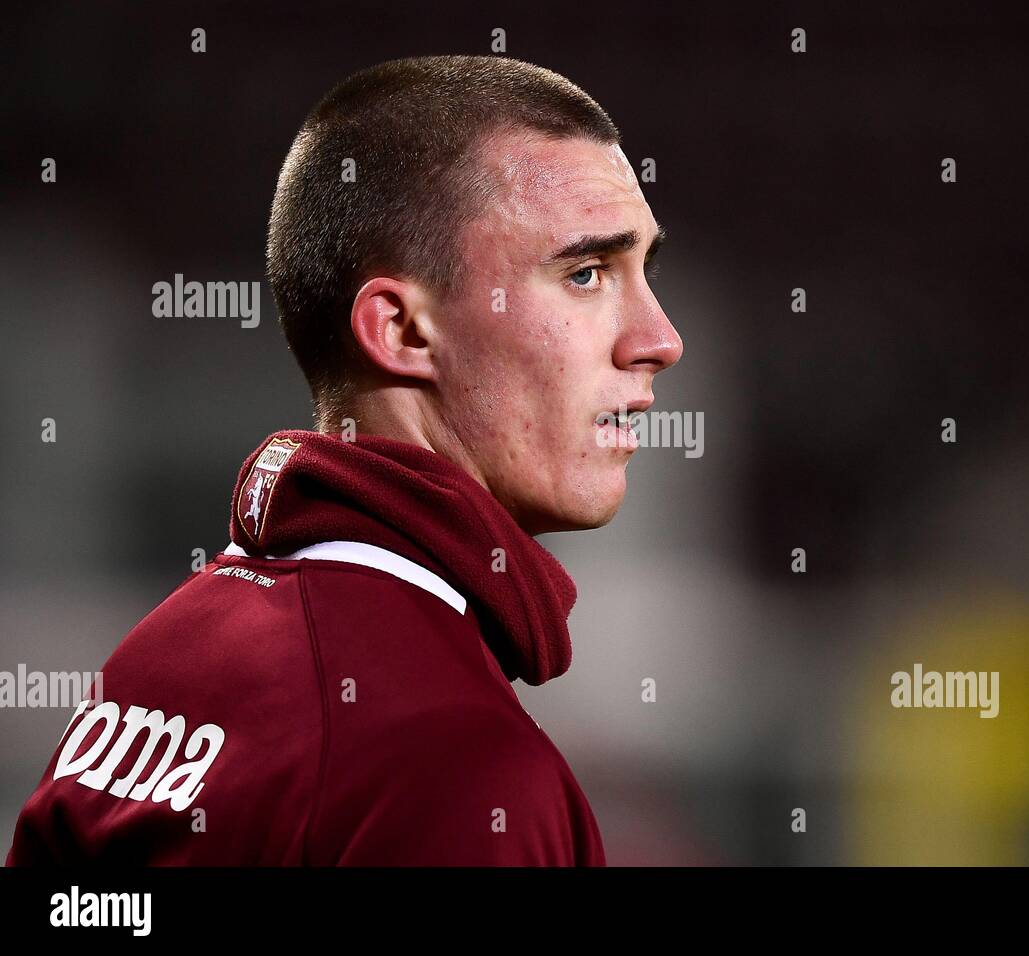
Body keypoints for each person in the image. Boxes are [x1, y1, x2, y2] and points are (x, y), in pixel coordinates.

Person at [6, 54, 682, 866]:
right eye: (584, 273)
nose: (660, 339)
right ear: (399, 331)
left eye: (646, 270)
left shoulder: (155, 665)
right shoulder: (463, 772)